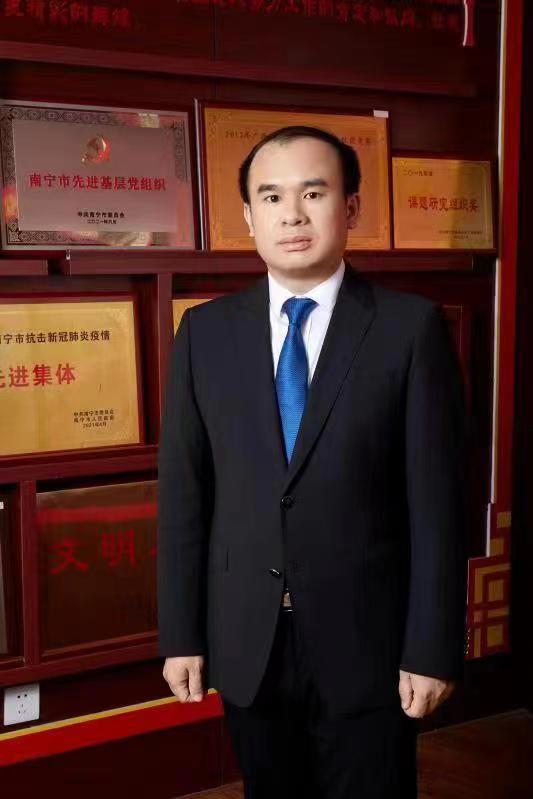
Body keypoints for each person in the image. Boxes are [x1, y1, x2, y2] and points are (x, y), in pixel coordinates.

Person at [157, 125, 468, 798]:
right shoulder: (204, 333)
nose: (291, 214)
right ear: (248, 216)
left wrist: (432, 645)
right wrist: (181, 634)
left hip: (369, 643)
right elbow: (184, 498)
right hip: (248, 641)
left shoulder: (408, 328)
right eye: (271, 197)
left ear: (350, 207)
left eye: (313, 193)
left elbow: (438, 506)